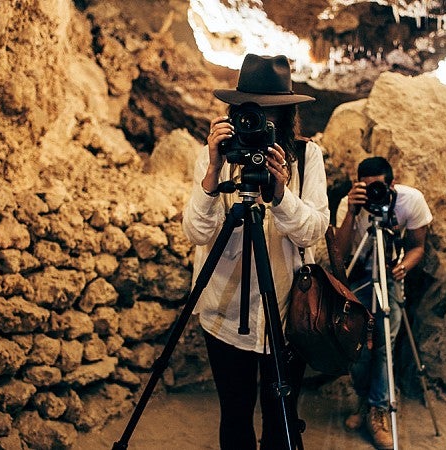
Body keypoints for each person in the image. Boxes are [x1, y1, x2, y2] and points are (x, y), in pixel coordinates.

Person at [182, 53, 330, 450]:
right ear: (235, 111)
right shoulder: (218, 154)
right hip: (225, 314)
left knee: (281, 417)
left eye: (271, 112)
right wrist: (212, 175)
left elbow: (314, 230)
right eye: (252, 111)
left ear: (285, 115)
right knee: (234, 414)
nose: (261, 120)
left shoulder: (305, 156)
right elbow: (196, 232)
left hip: (286, 314)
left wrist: (281, 195)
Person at [334, 156, 432, 450]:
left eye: (378, 187)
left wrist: (406, 266)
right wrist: (352, 212)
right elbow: (338, 253)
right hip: (360, 274)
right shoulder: (350, 203)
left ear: (392, 183)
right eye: (366, 188)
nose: (372, 194)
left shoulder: (410, 201)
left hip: (390, 272)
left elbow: (418, 247)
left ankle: (378, 411)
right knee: (359, 344)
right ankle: (366, 402)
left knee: (385, 343)